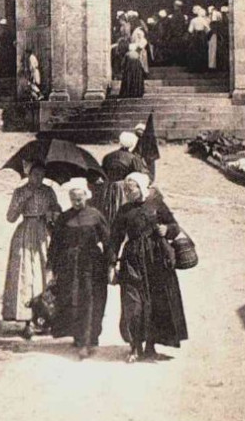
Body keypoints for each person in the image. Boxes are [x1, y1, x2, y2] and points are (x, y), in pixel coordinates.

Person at [109, 173, 188, 363]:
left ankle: (150, 346)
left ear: (142, 188)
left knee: (154, 303)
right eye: (126, 189)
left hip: (156, 260)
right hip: (132, 259)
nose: (128, 192)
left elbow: (175, 226)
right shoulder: (124, 211)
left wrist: (167, 230)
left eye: (132, 188)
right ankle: (135, 346)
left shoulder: (156, 205)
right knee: (133, 303)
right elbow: (115, 239)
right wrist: (112, 265)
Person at [47, 180, 110, 360]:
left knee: (91, 300)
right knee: (72, 299)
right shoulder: (64, 217)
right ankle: (78, 335)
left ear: (86, 197)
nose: (76, 201)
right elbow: (56, 243)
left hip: (91, 264)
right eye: (73, 198)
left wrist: (111, 263)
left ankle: (88, 340)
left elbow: (107, 241)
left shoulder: (96, 215)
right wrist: (51, 265)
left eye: (79, 198)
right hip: (69, 264)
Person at [2, 166, 61, 340]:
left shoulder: (48, 191)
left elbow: (58, 212)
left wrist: (53, 213)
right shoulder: (20, 191)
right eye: (35, 175)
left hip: (43, 232)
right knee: (24, 272)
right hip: (25, 232)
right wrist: (24, 199)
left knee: (44, 273)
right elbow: (10, 217)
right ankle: (25, 317)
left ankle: (44, 317)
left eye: (42, 175)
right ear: (28, 174)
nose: (39, 178)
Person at [95, 132, 149, 226]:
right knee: (123, 210)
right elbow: (140, 175)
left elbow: (102, 172)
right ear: (132, 144)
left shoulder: (108, 156)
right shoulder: (133, 158)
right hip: (124, 188)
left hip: (107, 187)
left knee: (108, 210)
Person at [187, 6, 209, 73]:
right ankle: (203, 68)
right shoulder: (204, 20)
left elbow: (190, 30)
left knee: (195, 51)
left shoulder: (193, 20)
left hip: (195, 36)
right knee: (203, 51)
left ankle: (194, 68)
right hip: (202, 36)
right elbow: (208, 29)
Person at [168, 0, 188, 65]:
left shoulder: (176, 15)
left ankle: (177, 62)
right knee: (179, 48)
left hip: (176, 34)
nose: (174, 6)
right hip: (179, 34)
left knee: (176, 48)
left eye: (175, 5)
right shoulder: (181, 15)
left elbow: (173, 25)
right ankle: (179, 61)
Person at [207, 6, 222, 71]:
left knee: (213, 51)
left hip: (214, 36)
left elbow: (213, 28)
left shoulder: (214, 22)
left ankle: (213, 66)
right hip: (214, 35)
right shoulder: (216, 22)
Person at [216, 6, 230, 73]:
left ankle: (224, 67)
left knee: (224, 53)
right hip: (224, 37)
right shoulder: (224, 20)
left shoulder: (223, 20)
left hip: (224, 38)